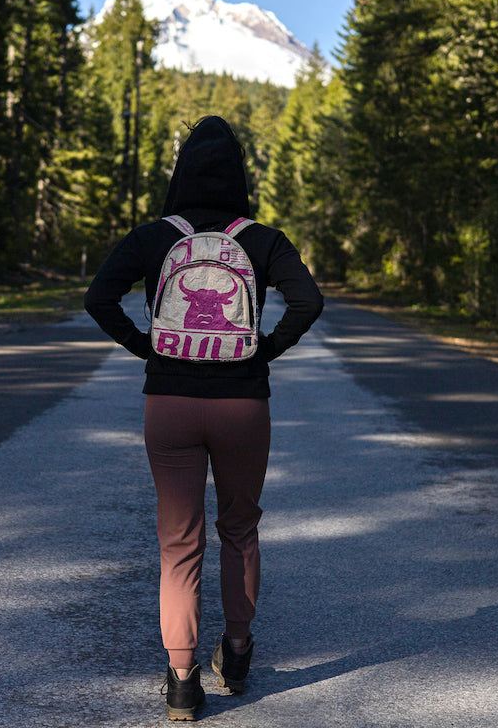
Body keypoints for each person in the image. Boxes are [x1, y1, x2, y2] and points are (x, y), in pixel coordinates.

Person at [84, 115, 323, 721]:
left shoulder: (153, 236)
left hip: (169, 403)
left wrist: (148, 347)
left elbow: (98, 298)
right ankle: (236, 655)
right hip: (243, 403)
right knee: (240, 528)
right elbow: (309, 300)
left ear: (181, 171)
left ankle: (183, 679)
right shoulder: (262, 238)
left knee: (178, 542)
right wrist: (265, 348)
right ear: (239, 175)